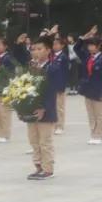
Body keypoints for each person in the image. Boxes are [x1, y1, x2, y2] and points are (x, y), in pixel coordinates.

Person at [26, 35, 59, 180]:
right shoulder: (32, 67)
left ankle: (48, 169)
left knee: (45, 141)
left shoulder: (52, 68)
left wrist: (43, 108)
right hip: (31, 109)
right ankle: (38, 165)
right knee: (34, 140)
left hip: (46, 110)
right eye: (34, 49)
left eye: (40, 49)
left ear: (48, 51)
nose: (36, 52)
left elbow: (51, 91)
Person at [75, 34, 102, 145]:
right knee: (91, 114)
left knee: (99, 114)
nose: (90, 48)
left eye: (92, 45)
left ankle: (100, 135)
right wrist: (82, 38)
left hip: (98, 89)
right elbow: (76, 48)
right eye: (89, 45)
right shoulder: (87, 57)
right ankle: (93, 133)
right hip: (87, 89)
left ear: (98, 46)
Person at [0, 36, 20, 143]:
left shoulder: (8, 58)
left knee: (4, 113)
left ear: (5, 46)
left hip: (4, 88)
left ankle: (5, 134)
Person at [51, 34, 69, 134]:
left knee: (59, 106)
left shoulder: (63, 57)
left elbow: (65, 72)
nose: (55, 46)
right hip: (51, 85)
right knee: (52, 106)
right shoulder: (51, 56)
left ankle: (60, 125)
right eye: (53, 44)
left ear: (62, 46)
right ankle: (53, 124)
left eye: (57, 44)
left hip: (59, 85)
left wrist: (63, 85)